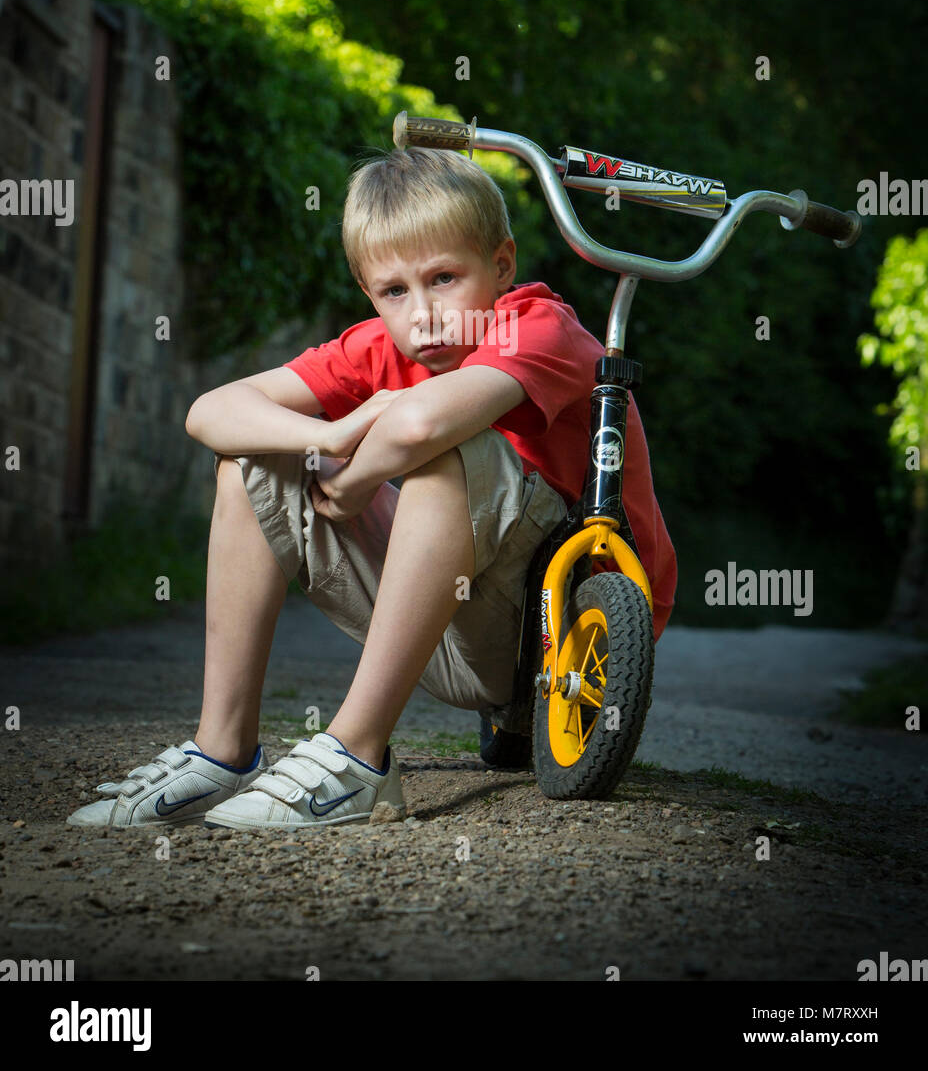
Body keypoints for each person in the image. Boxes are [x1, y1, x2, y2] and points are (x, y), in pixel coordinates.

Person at [67, 144, 676, 832]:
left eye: (444, 278)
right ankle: (221, 748)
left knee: (445, 452)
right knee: (250, 461)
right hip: (450, 631)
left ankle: (356, 759)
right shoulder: (379, 347)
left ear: (501, 265)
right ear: (368, 292)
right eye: (394, 291)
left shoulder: (538, 327)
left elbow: (418, 425)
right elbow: (209, 411)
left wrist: (355, 479)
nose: (425, 316)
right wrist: (326, 437)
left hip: (551, 633)